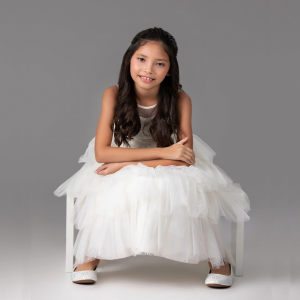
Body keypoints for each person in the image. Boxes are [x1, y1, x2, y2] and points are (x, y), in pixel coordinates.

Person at [54, 27, 250, 287]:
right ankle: (91, 254)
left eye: (159, 64)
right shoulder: (112, 94)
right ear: (129, 60)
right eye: (141, 59)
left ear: (169, 70)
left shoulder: (180, 99)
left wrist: (130, 162)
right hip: (127, 153)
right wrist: (154, 154)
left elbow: (183, 158)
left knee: (190, 184)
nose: (148, 70)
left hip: (168, 160)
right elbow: (102, 153)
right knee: (110, 185)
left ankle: (217, 260)